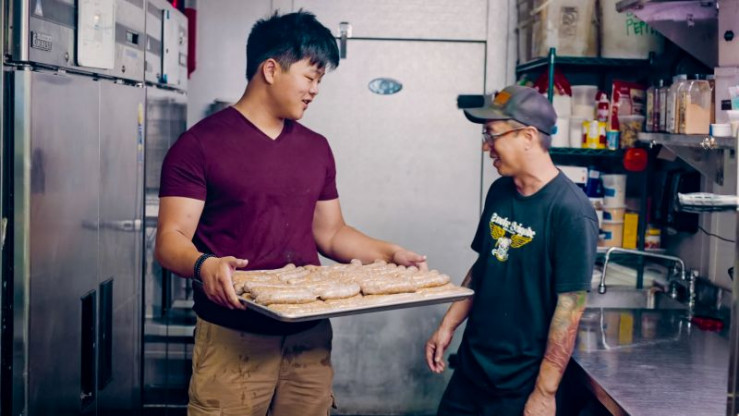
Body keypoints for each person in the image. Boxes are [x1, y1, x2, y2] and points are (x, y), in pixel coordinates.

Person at [155, 11, 427, 416]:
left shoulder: (316, 148)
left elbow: (331, 233)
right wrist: (204, 265)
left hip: (308, 335)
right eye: (310, 77)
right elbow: (170, 239)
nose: (315, 90)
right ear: (270, 69)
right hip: (233, 335)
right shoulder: (199, 145)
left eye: (320, 81)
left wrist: (389, 253)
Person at [425, 85, 598, 416]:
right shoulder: (500, 191)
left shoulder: (572, 212)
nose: (485, 146)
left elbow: (570, 308)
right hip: (472, 372)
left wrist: (544, 393)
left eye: (492, 135)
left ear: (528, 137)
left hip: (520, 384)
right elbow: (484, 266)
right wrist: (448, 324)